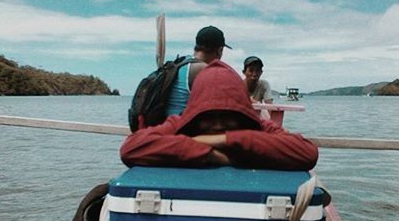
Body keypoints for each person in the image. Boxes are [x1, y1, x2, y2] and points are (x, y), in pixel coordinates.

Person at [121, 60, 318, 170]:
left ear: (241, 112)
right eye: (208, 116)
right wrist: (210, 154)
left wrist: (224, 139)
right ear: (195, 112)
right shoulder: (181, 123)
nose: (217, 124)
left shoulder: (257, 125)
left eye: (226, 116)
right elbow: (131, 148)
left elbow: (307, 152)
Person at [164, 25, 232, 116]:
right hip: (180, 126)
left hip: (165, 122)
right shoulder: (203, 69)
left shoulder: (183, 62)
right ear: (219, 50)